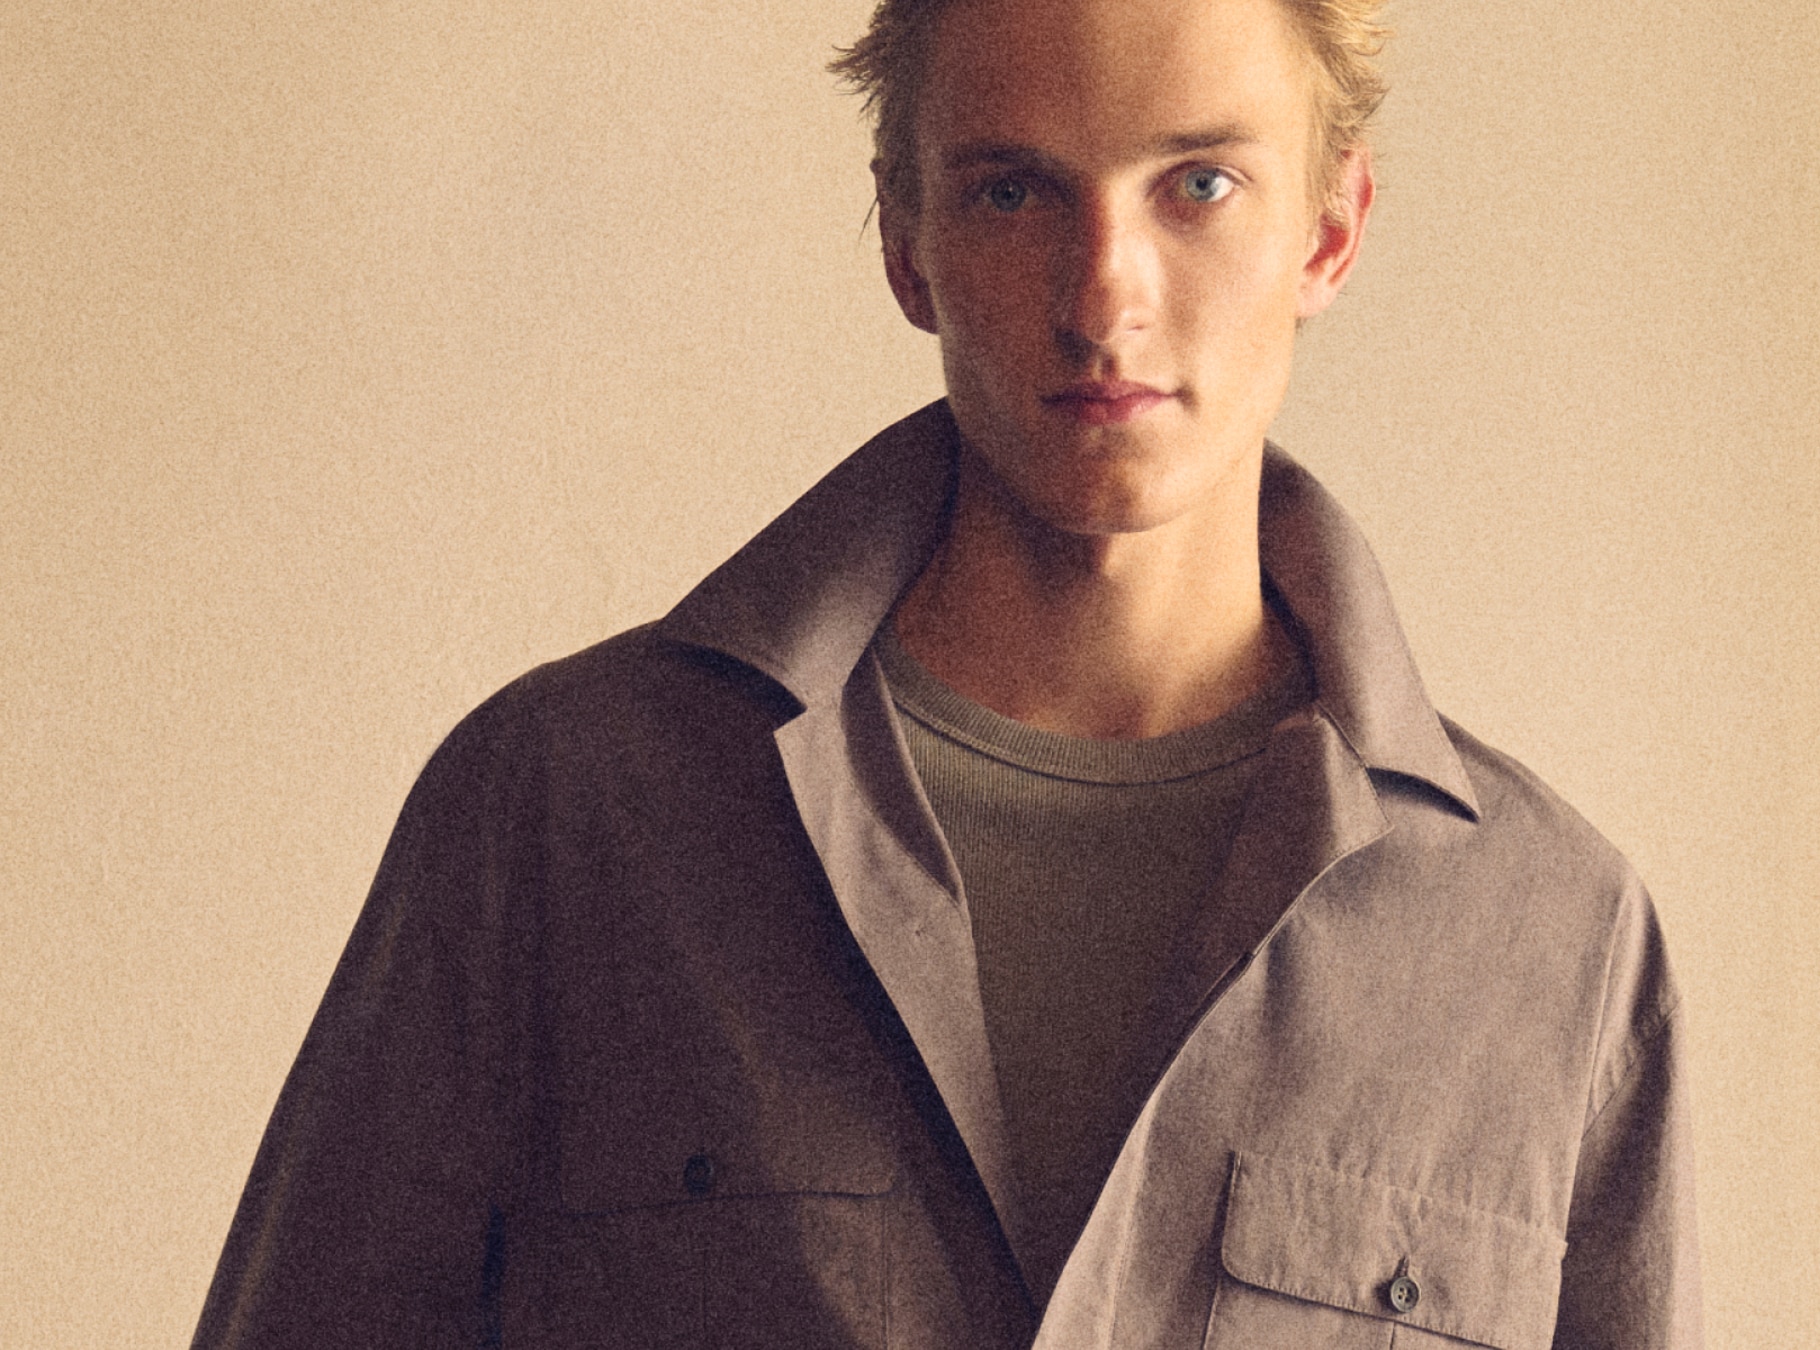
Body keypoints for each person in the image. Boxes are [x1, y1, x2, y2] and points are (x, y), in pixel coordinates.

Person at [193, 0, 1701, 1344]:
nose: (1105, 296)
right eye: (1012, 189)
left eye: (1199, 185)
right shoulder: (564, 816)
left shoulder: (1554, 941)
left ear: (1331, 229)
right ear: (905, 239)